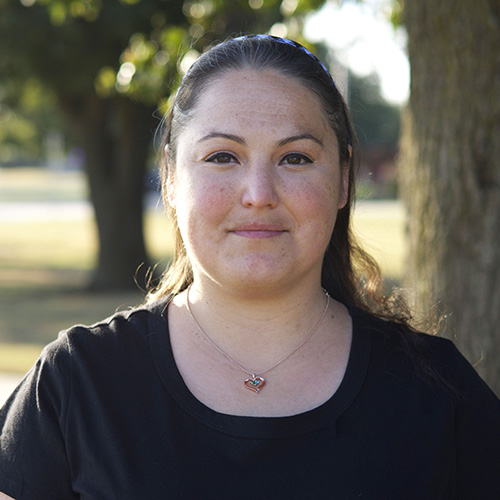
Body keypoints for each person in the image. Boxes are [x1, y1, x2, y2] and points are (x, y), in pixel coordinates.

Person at [1, 34, 499, 500]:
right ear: (171, 176)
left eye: (296, 159)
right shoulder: (77, 385)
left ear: (344, 179)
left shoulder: (437, 392)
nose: (259, 195)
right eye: (222, 156)